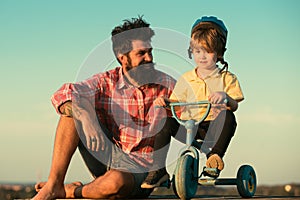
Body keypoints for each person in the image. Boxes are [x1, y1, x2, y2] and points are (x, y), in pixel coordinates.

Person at [32, 16, 176, 200]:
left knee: (115, 183)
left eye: (150, 51)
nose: (149, 58)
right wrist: (85, 116)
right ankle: (53, 185)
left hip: (141, 171)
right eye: (141, 53)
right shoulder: (106, 82)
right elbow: (63, 93)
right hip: (108, 154)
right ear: (123, 58)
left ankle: (69, 191)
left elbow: (192, 119)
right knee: (74, 106)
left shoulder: (167, 84)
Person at [141, 16, 244, 189]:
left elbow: (235, 105)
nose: (202, 56)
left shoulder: (227, 78)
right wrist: (165, 101)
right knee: (165, 120)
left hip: (213, 129)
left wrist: (225, 96)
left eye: (208, 51)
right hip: (190, 127)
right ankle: (158, 169)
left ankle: (214, 159)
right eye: (198, 51)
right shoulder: (187, 78)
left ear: (219, 53)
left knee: (228, 115)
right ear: (192, 51)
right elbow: (176, 101)